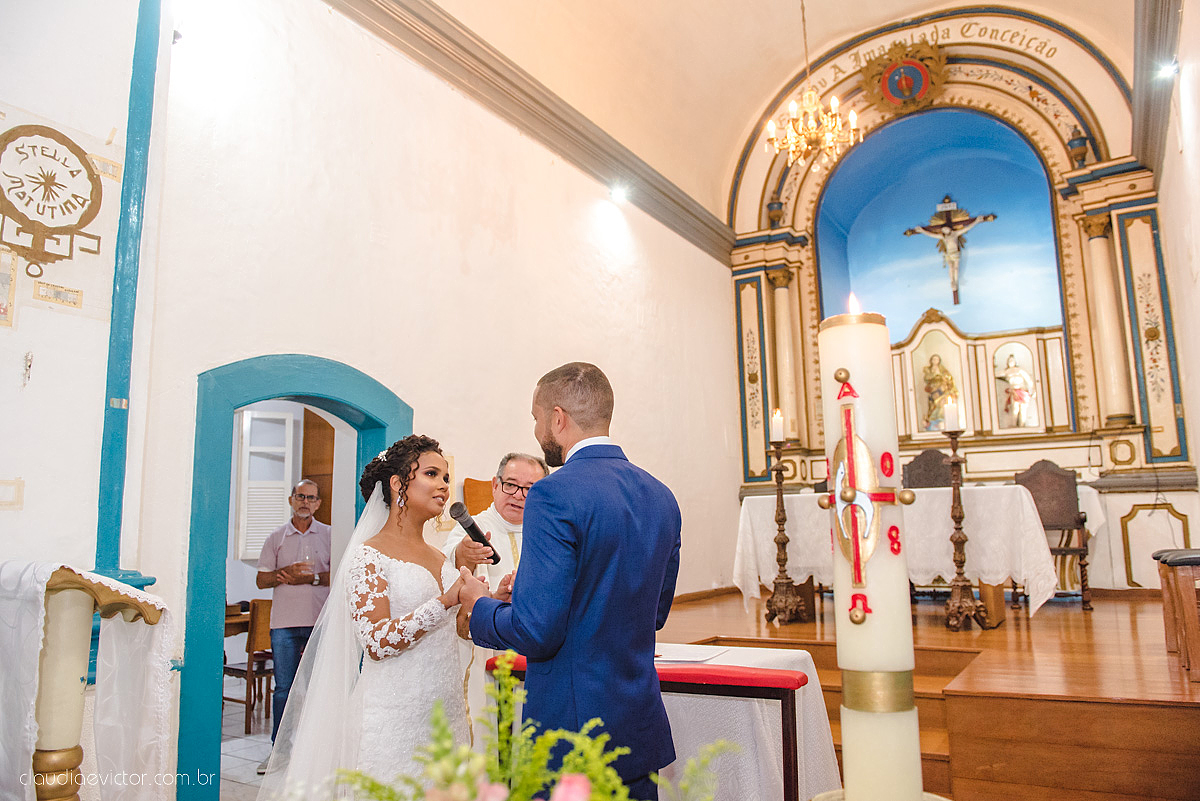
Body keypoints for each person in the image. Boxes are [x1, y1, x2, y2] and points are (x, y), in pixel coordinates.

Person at [459, 362, 682, 801]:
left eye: (536, 417)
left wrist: (479, 604)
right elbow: (654, 613)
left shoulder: (554, 492)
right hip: (638, 727)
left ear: (557, 418)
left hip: (571, 733)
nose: (536, 429)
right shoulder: (661, 495)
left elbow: (536, 632)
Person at [258, 435, 497, 799]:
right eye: (431, 474)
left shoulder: (440, 557)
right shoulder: (368, 556)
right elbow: (377, 641)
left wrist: (484, 602)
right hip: (393, 717)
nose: (444, 486)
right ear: (398, 483)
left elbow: (459, 633)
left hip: (444, 714)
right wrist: (446, 600)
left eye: (446, 477)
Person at [442, 452, 548, 744]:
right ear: (494, 484)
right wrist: (465, 555)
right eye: (511, 485)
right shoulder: (473, 528)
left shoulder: (549, 531)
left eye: (530, 489)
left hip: (536, 651)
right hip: (486, 652)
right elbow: (449, 565)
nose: (519, 496)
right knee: (488, 733)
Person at [255, 479, 332, 760]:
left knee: (318, 689)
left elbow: (338, 574)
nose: (305, 502)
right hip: (284, 625)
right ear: (291, 500)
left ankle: (315, 753)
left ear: (318, 504)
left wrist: (310, 578)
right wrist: (284, 572)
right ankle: (279, 751)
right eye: (300, 496)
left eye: (311, 498)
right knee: (283, 689)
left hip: (318, 623)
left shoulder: (330, 535)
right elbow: (261, 580)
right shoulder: (276, 537)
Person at [904, 208, 996, 304]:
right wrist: (922, 231)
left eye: (945, 229)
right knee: (951, 268)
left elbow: (967, 228)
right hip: (948, 254)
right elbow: (932, 235)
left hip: (955, 254)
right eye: (943, 230)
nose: (944, 230)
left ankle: (955, 283)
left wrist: (976, 221)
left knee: (955, 268)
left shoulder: (955, 234)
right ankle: (952, 282)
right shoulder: (944, 237)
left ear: (949, 228)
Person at [996, 354, 1037, 427]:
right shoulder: (1007, 371)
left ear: (1015, 362)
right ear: (1007, 362)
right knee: (1015, 410)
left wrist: (1034, 389)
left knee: (1023, 410)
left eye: (1012, 360)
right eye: (1009, 361)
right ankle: (1014, 426)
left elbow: (1028, 380)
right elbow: (996, 374)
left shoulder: (1020, 370)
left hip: (1023, 391)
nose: (1011, 362)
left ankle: (1022, 426)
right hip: (1014, 392)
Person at [922, 353, 957, 432]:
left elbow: (949, 379)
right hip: (933, 391)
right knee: (933, 405)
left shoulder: (942, 370)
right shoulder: (928, 370)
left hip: (942, 390)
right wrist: (934, 376)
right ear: (931, 361)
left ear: (939, 361)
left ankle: (941, 418)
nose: (935, 361)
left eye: (937, 359)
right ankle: (933, 419)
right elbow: (927, 379)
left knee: (942, 403)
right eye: (933, 359)